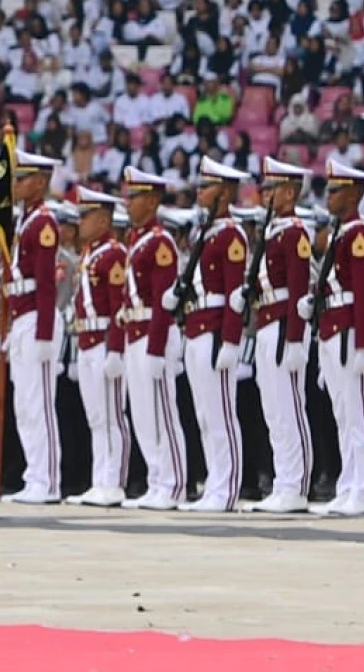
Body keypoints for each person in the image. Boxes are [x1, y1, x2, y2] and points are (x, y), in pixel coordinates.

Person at [302, 158, 364, 516]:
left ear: (355, 193)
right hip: (332, 329)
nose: (329, 197)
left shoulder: (361, 235)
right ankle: (349, 483)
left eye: (336, 190)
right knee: (343, 414)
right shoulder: (340, 234)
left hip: (350, 330)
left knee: (359, 413)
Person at [173, 155, 249, 512]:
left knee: (220, 412)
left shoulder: (231, 235)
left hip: (216, 329)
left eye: (207, 186)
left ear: (225, 192)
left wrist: (232, 341)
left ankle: (226, 488)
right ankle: (214, 484)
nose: (199, 192)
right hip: (196, 325)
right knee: (205, 413)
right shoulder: (205, 232)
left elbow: (236, 294)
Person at [239, 157, 314, 514]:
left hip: (286, 323)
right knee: (273, 409)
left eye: (271, 188)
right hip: (267, 319)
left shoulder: (295, 232)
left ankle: (296, 484)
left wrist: (297, 339)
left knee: (289, 407)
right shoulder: (273, 231)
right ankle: (284, 480)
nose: (264, 194)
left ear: (288, 192)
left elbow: (299, 290)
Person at [119, 167, 186, 510]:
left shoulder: (161, 242)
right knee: (143, 413)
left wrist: (157, 347)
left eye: (135, 197)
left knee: (162, 412)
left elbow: (164, 299)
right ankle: (156, 479)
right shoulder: (136, 241)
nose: (128, 204)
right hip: (134, 332)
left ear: (153, 201)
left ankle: (173, 484)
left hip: (152, 335)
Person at [62, 190, 129, 507]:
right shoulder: (90, 254)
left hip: (104, 340)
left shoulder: (114, 254)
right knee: (95, 417)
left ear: (104, 220)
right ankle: (99, 479)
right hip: (87, 341)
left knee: (111, 415)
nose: (80, 224)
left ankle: (113, 480)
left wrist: (116, 349)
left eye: (86, 217)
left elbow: (119, 307)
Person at [6, 149, 63, 504]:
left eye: (23, 178)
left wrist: (43, 333)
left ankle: (47, 481)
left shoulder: (43, 223)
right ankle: (34, 476)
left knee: (39, 403)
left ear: (40, 183)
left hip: (36, 317)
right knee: (24, 404)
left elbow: (46, 282)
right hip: (21, 315)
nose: (16, 184)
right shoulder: (26, 220)